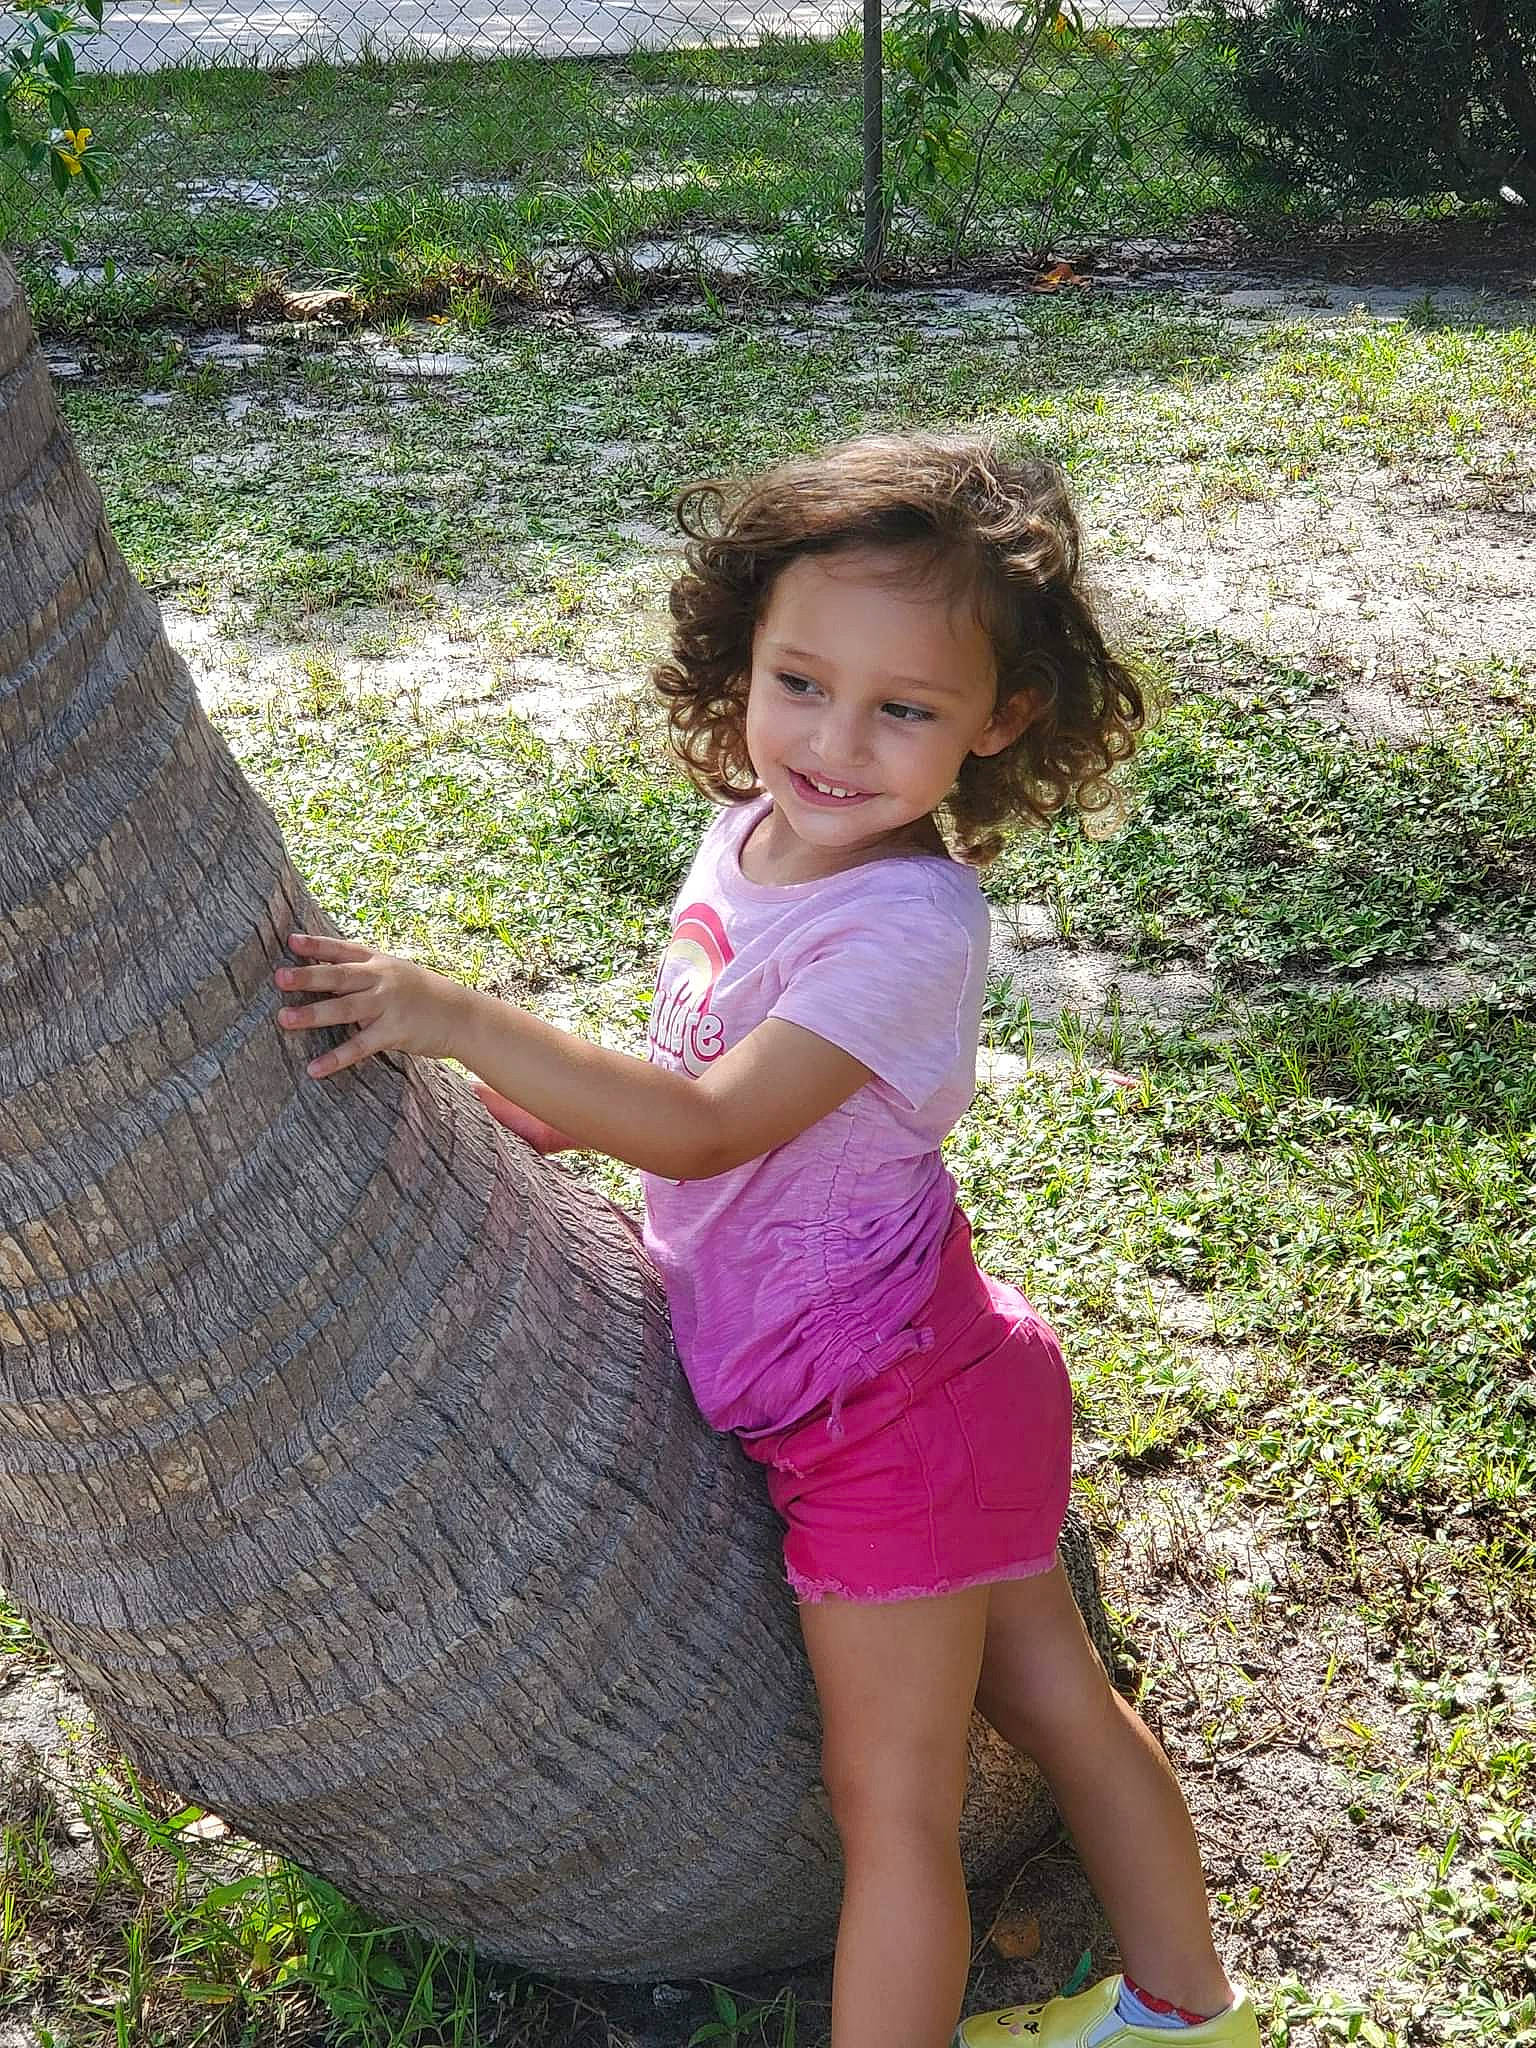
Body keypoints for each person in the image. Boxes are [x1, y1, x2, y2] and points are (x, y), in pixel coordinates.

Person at [273, 435, 1259, 2048]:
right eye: (800, 681)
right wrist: (560, 1109)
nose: (834, 743)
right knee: (1055, 1704)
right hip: (915, 1371)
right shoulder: (753, 833)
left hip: (890, 1420)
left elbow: (719, 1125)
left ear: (1000, 724)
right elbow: (690, 1077)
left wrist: (457, 1016)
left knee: (896, 1807)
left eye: (906, 710)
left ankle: (1180, 2016)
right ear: (745, 655)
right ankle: (1187, 2012)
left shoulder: (906, 925)